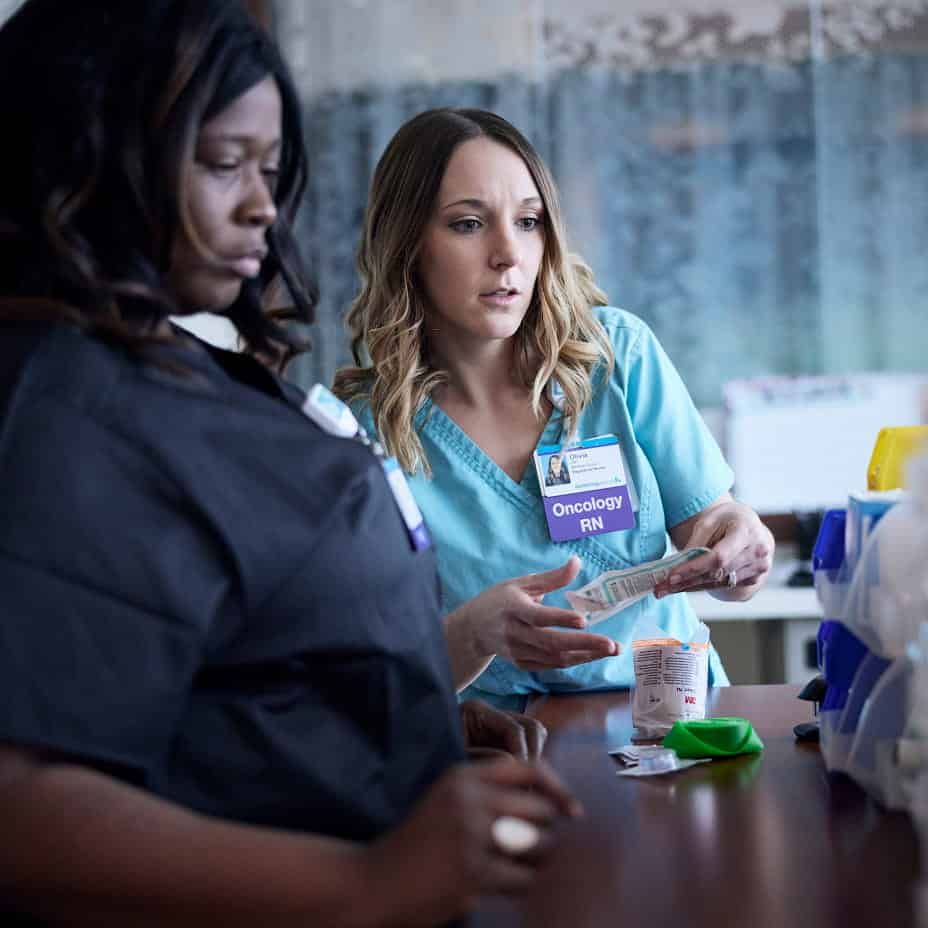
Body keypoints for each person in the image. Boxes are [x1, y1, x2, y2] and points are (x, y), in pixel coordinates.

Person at [0, 5, 580, 926]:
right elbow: (25, 809)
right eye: (223, 163)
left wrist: (397, 732)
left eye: (269, 169)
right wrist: (371, 878)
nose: (264, 205)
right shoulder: (67, 410)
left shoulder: (169, 363)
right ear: (87, 154)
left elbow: (215, 681)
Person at [334, 108, 775, 709]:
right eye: (467, 224)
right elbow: (362, 670)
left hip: (673, 719)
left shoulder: (618, 357)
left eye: (528, 222)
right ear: (407, 242)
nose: (507, 254)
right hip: (500, 750)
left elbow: (712, 532)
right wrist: (472, 635)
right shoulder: (360, 431)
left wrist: (734, 545)